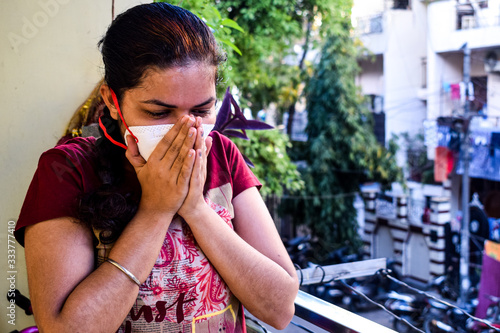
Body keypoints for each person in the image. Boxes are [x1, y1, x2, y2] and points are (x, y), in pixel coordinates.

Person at [15, 3, 299, 332]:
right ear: (112, 101)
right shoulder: (68, 170)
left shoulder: (221, 154)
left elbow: (280, 308)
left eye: (202, 109)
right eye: (158, 112)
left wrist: (194, 207)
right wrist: (155, 210)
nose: (186, 129)